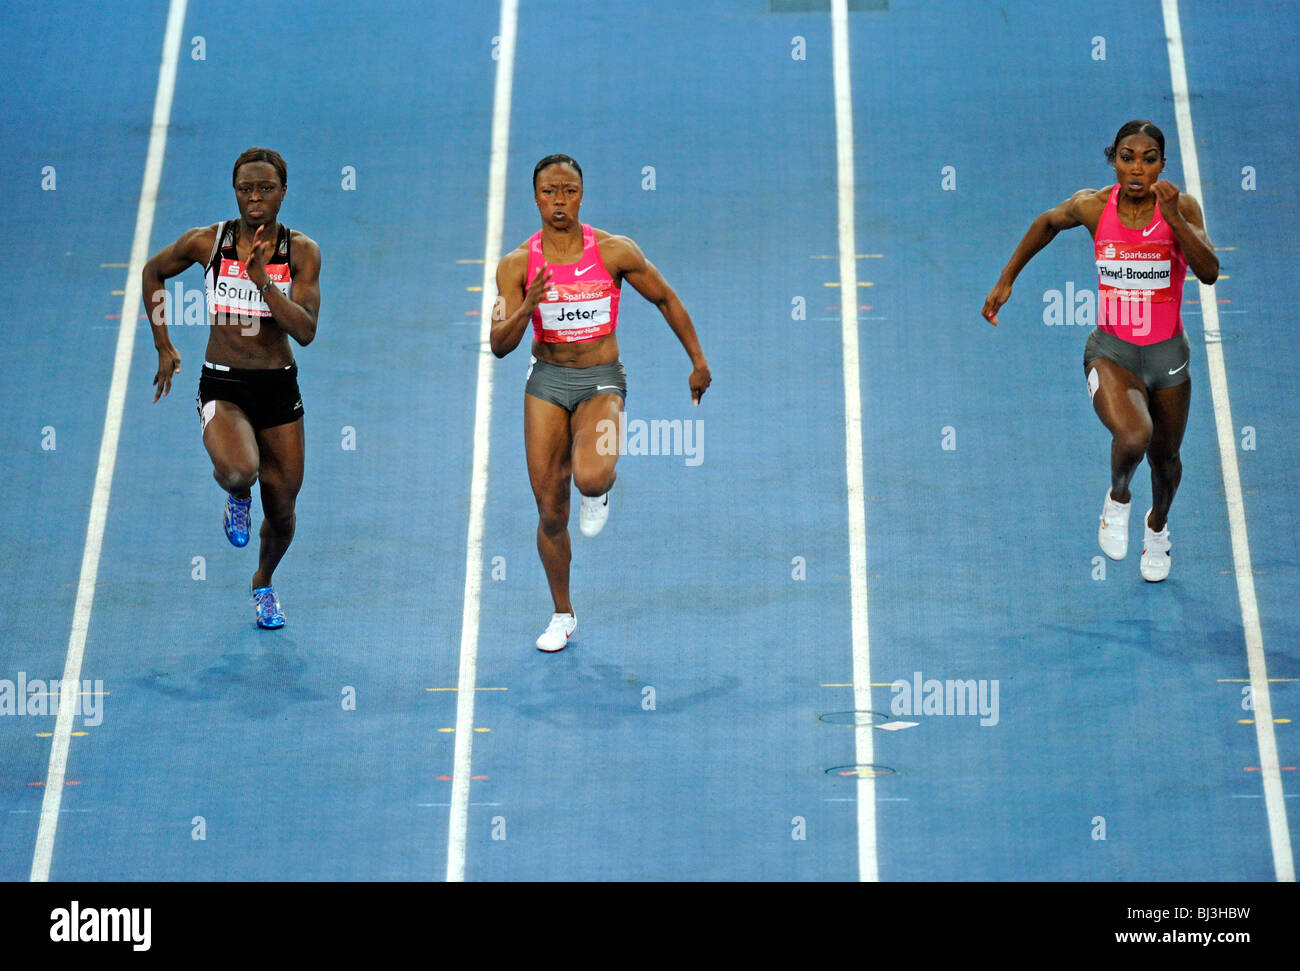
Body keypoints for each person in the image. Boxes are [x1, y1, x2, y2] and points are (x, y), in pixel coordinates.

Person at [491, 154, 711, 650]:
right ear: (535, 197)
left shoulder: (614, 251)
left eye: (568, 191)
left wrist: (697, 362)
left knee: (590, 475)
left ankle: (598, 488)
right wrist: (528, 304)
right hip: (546, 380)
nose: (559, 201)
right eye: (550, 192)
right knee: (550, 511)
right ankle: (562, 613)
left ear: (581, 195)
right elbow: (499, 344)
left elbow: (665, 299)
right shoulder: (517, 265)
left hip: (600, 380)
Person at [983, 120, 1218, 581]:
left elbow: (1209, 271)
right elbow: (1046, 223)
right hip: (1112, 352)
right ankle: (1119, 499)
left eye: (1148, 159)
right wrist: (1007, 278)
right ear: (1114, 160)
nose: (1136, 168)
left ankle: (1157, 529)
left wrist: (1172, 219)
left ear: (1162, 166)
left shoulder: (1182, 207)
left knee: (1166, 461)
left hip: (1169, 357)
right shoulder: (1093, 207)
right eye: (1127, 157)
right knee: (1134, 436)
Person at [142, 147, 321, 627]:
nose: (255, 197)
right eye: (246, 189)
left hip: (279, 388)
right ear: (235, 192)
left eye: (265, 188)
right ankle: (237, 495)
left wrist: (263, 282)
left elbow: (305, 331)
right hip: (223, 383)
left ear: (283, 192)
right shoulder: (209, 242)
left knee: (282, 512)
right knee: (241, 471)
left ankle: (263, 582)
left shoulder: (301, 252)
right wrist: (164, 343)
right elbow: (153, 271)